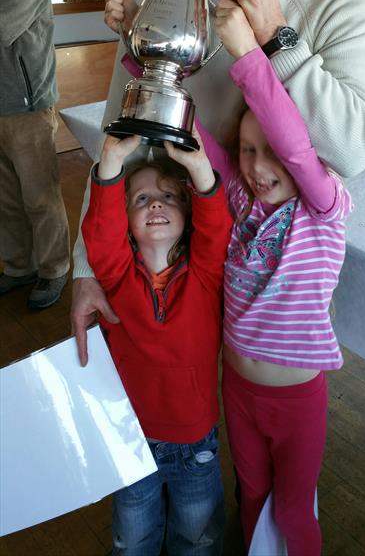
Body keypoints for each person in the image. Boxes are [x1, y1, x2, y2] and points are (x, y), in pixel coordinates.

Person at [71, 0, 365, 361]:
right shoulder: (167, 6)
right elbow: (117, 143)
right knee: (175, 428)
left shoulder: (340, 7)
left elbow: (353, 151)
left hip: (270, 304)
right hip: (166, 272)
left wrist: (277, 36)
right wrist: (87, 268)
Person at [194, 0, 352, 555]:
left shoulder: (323, 208)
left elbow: (291, 144)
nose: (260, 167)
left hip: (297, 402)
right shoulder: (242, 196)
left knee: (293, 509)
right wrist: (145, 67)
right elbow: (197, 137)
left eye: (274, 154)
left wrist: (248, 57)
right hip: (237, 390)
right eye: (248, 151)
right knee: (253, 495)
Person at [81, 125, 232, 556]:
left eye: (168, 196)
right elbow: (102, 236)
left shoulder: (206, 274)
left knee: (197, 541)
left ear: (187, 214)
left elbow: (217, 229)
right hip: (131, 439)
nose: (156, 205)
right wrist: (109, 165)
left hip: (195, 444)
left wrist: (199, 167)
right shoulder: (114, 276)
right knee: (133, 543)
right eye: (142, 199)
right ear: (127, 221)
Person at [0, 0, 70, 309]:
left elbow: (3, 21)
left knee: (39, 195)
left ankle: (54, 269)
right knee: (5, 197)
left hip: (26, 102)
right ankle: (18, 266)